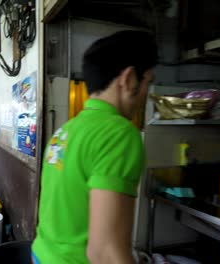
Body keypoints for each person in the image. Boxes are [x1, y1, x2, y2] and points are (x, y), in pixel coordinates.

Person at [32, 30, 157, 264]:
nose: (146, 96)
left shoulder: (64, 131)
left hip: (41, 253)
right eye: (148, 82)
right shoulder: (119, 133)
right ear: (129, 79)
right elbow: (105, 253)